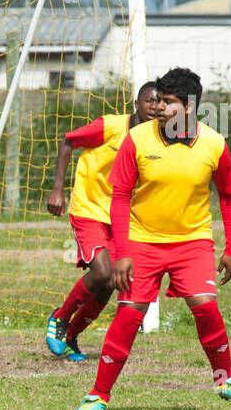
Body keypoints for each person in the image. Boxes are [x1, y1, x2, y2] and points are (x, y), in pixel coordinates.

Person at [75, 67, 231, 410]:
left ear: (189, 107)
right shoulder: (138, 139)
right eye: (157, 100)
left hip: (193, 242)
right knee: (129, 314)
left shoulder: (214, 144)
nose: (158, 107)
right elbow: (119, 197)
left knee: (206, 306)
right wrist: (124, 253)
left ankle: (226, 379)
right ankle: (98, 395)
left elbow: (230, 197)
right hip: (142, 241)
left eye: (167, 102)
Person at [45, 82, 157, 360]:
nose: (155, 107)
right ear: (136, 104)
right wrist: (58, 189)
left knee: (112, 282)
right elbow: (68, 141)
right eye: (149, 101)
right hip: (88, 208)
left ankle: (71, 337)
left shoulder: (155, 139)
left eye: (160, 103)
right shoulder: (110, 126)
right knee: (103, 272)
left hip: (120, 217)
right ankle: (60, 317)